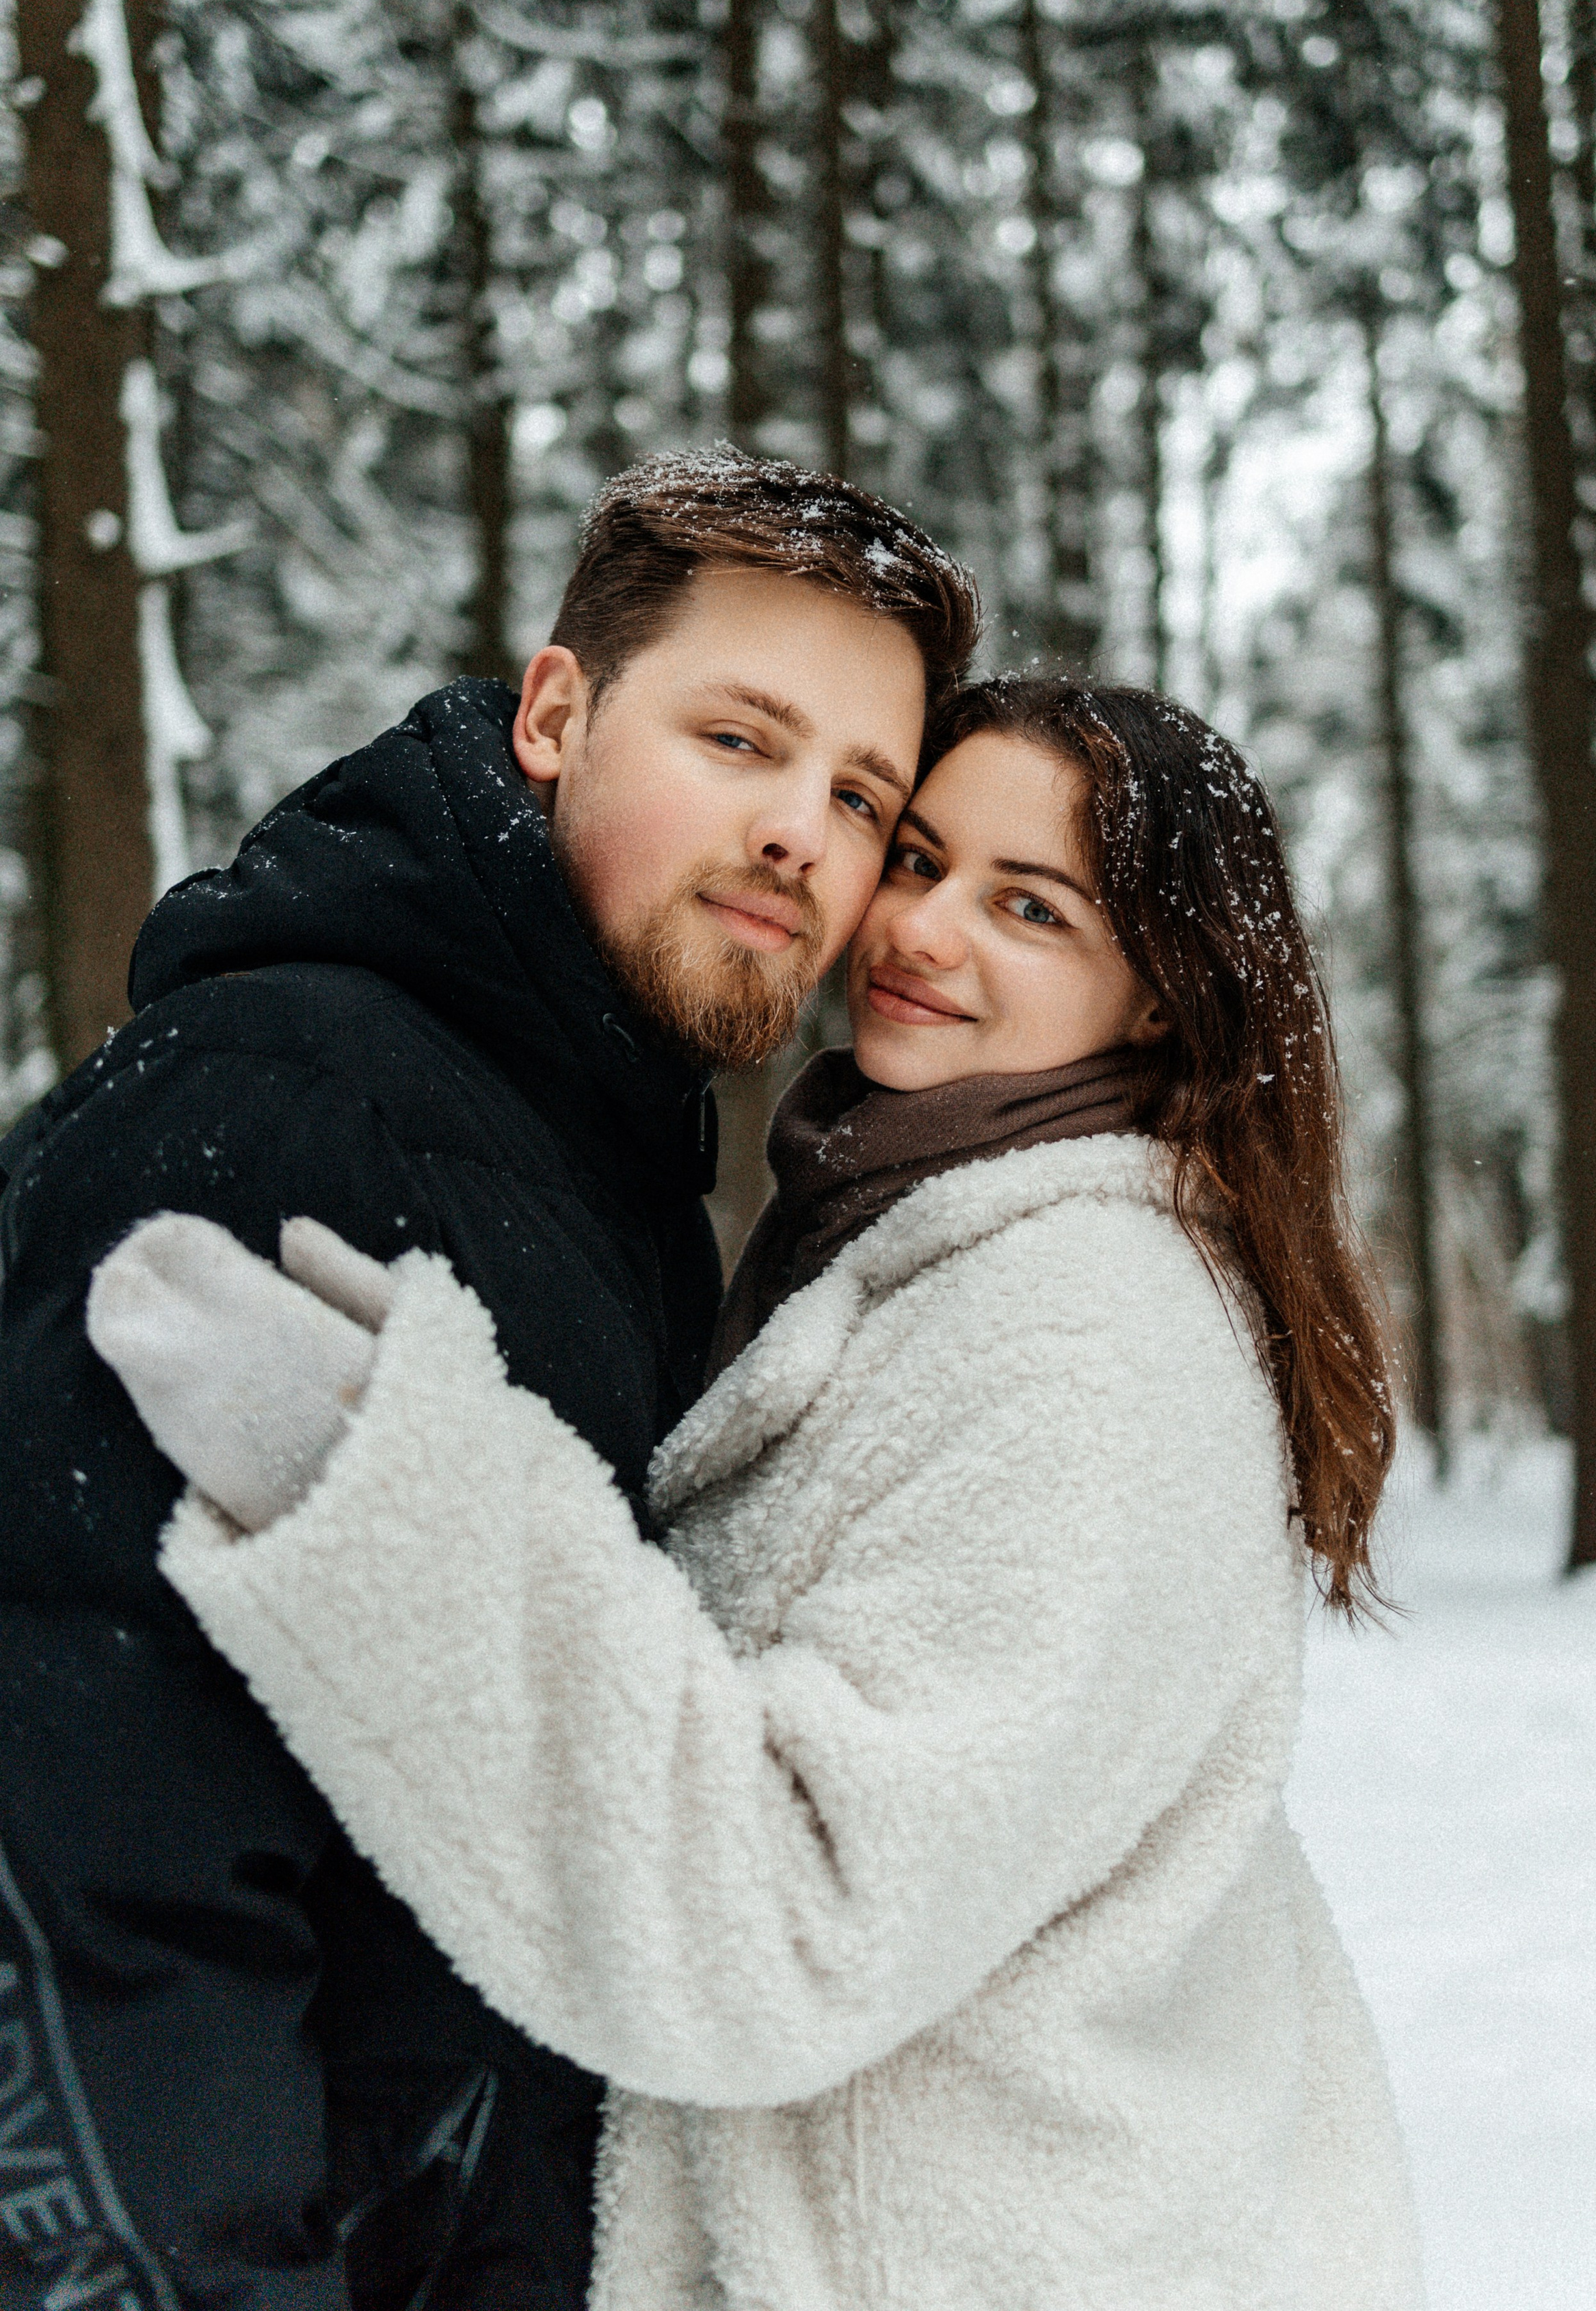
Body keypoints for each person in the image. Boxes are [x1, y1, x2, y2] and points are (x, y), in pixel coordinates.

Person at [91, 677, 1424, 2309]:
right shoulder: (919, 1243)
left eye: (1026, 906)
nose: (921, 929)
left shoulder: (1086, 1333)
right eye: (918, 860)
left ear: (1158, 996)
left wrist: (375, 1493)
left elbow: (798, 1922)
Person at [0, 449, 977, 2311]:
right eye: (739, 740)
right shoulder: (278, 1103)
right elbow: (85, 1881)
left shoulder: (606, 1176)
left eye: (860, 795)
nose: (799, 832)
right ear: (554, 715)